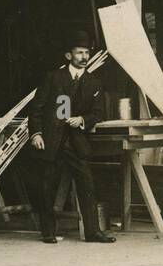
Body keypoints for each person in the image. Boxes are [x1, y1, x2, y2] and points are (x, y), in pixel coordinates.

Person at [27, 31, 115, 244]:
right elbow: (36, 109)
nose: (84, 57)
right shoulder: (53, 78)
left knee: (87, 185)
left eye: (86, 52)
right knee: (48, 186)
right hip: (52, 141)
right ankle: (48, 232)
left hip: (76, 142)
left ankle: (93, 232)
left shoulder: (93, 83)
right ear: (68, 56)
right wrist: (36, 134)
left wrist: (82, 120)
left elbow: (98, 113)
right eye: (79, 53)